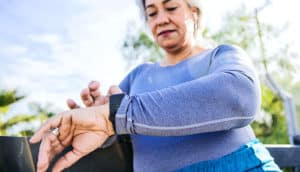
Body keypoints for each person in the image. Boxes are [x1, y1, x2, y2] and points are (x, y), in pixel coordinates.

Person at [30, 0, 281, 171]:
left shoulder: (219, 56)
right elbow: (118, 120)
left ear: (194, 12)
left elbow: (239, 95)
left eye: (171, 7)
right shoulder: (138, 76)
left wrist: (116, 113)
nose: (161, 19)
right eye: (152, 13)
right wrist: (99, 118)